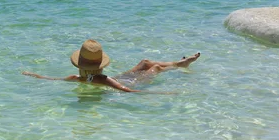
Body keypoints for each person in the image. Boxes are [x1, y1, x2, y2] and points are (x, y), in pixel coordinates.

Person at [22, 39, 200, 93]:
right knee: (154, 67)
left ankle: (179, 63)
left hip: (127, 80)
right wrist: (161, 93)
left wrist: (35, 75)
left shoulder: (76, 78)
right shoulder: (103, 79)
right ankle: (179, 64)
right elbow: (128, 91)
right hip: (130, 81)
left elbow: (54, 79)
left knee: (146, 62)